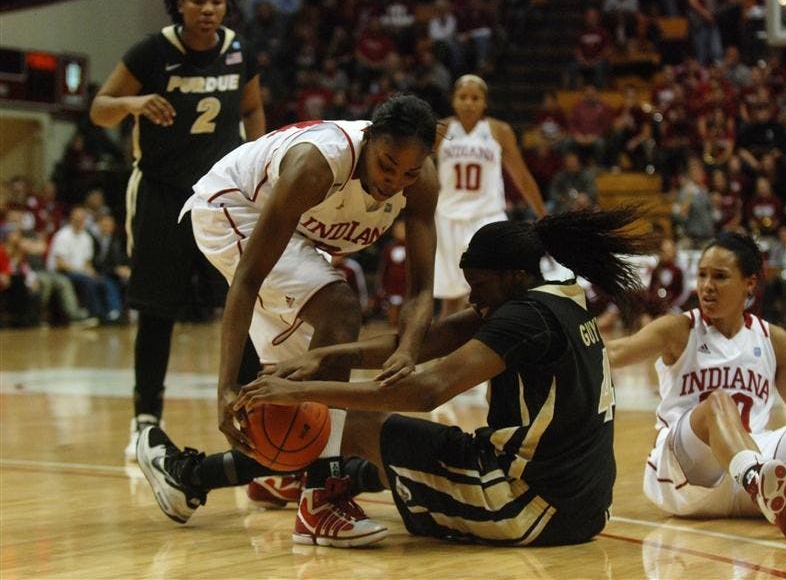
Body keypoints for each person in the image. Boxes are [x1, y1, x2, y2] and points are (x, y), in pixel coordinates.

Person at [147, 207, 651, 547]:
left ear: (514, 277)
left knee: (357, 425)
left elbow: (425, 390)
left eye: (479, 286)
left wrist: (297, 390)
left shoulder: (524, 318)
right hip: (583, 507)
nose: (474, 298)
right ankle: (295, 477)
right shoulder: (557, 299)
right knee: (377, 455)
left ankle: (207, 479)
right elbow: (421, 342)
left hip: (525, 505)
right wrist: (326, 357)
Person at [137, 94, 440, 547]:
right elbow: (247, 280)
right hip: (231, 210)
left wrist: (408, 350)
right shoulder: (317, 164)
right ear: (369, 139)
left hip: (292, 233)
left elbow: (420, 290)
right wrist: (225, 388)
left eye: (409, 173)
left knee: (330, 408)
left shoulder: (421, 184)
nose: (395, 182)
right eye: (387, 167)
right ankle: (323, 499)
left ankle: (221, 475)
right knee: (340, 308)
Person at [605, 232, 786, 539]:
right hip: (687, 473)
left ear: (749, 283)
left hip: (760, 470)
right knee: (719, 402)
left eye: (719, 276)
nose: (706, 286)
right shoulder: (679, 329)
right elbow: (615, 353)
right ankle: (757, 479)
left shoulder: (773, 340)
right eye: (702, 275)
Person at [89, 0, 266, 460]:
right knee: (156, 310)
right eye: (198, 1)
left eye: (217, 2)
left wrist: (258, 161)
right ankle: (146, 418)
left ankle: (255, 412)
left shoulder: (238, 53)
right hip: (162, 194)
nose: (208, 10)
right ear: (179, 4)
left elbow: (252, 109)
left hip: (222, 196)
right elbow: (100, 105)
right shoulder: (151, 51)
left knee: (243, 303)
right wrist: (135, 103)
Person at [434, 75, 547, 319]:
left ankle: (490, 343)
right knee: (451, 296)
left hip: (487, 217)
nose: (469, 103)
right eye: (463, 97)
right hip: (447, 216)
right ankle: (443, 353)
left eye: (476, 98)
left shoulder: (499, 130)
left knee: (489, 290)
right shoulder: (440, 131)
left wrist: (542, 214)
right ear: (453, 101)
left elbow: (522, 177)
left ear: (485, 102)